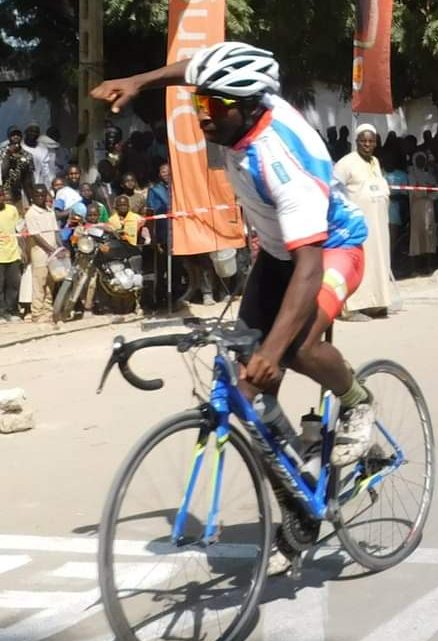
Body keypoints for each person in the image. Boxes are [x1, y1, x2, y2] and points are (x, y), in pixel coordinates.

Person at [92, 41, 374, 575]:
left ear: (247, 105)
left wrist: (273, 349)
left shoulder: (282, 159)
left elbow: (309, 271)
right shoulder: (233, 105)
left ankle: (357, 400)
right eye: (199, 106)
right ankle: (300, 492)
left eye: (212, 110)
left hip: (332, 247)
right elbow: (190, 67)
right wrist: (137, 81)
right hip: (277, 251)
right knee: (248, 394)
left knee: (296, 349)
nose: (202, 119)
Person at [336, 125, 392, 318]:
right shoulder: (346, 163)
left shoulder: (375, 162)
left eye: (371, 141)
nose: (367, 145)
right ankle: (351, 307)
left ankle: (375, 302)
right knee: (358, 263)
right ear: (356, 141)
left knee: (377, 261)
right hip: (356, 226)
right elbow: (333, 190)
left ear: (376, 143)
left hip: (378, 223)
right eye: (363, 141)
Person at [22, 185, 58, 323]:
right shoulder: (31, 213)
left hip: (53, 252)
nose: (41, 198)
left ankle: (47, 310)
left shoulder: (50, 211)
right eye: (38, 195)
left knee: (51, 282)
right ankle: (36, 312)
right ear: (33, 197)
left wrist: (60, 248)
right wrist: (50, 249)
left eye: (43, 195)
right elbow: (36, 236)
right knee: (39, 282)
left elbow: (56, 232)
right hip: (40, 252)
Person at [406, 152, 438, 273]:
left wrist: (428, 190)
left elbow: (436, 192)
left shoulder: (429, 175)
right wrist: (427, 190)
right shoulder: (411, 175)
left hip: (429, 209)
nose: (420, 162)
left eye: (422, 159)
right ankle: (414, 267)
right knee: (416, 236)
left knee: (429, 234)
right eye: (418, 159)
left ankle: (428, 265)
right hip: (416, 209)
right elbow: (415, 191)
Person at [0, 188, 21, 322]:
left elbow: (19, 228)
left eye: (1, 196)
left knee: (13, 284)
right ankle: (1, 313)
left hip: (13, 253)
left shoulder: (12, 210)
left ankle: (11, 309)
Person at [1, 127, 35, 211]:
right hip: (4, 192)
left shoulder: (27, 155)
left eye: (18, 135)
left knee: (18, 216)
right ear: (9, 137)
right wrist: (8, 154)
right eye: (13, 135)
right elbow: (3, 172)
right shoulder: (2, 152)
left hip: (18, 193)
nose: (16, 136)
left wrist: (31, 199)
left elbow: (28, 179)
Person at [21, 123, 56, 188]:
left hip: (41, 184)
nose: (33, 134)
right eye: (31, 131)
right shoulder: (21, 148)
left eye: (36, 132)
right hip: (24, 185)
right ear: (26, 132)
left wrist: (50, 184)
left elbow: (47, 170)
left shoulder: (43, 149)